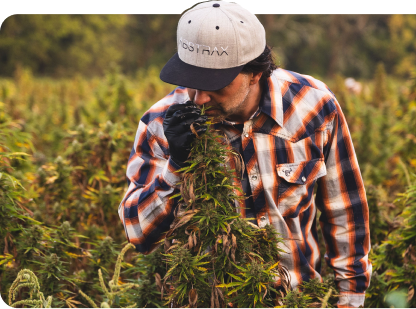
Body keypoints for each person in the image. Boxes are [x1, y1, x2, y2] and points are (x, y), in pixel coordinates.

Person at [118, 2, 372, 308]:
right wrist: (177, 166)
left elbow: (344, 210)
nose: (198, 99)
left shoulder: (312, 107)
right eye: (191, 81)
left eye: (213, 84)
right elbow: (138, 233)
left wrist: (350, 299)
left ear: (254, 73)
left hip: (298, 300)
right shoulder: (160, 124)